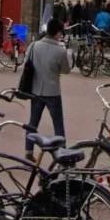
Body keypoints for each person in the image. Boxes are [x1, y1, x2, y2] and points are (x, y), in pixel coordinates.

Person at [23, 18, 72, 159]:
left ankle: (28, 151)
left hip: (36, 89)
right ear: (57, 33)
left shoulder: (34, 45)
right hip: (52, 91)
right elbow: (66, 70)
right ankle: (62, 153)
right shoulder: (60, 50)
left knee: (33, 122)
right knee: (58, 124)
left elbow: (26, 62)